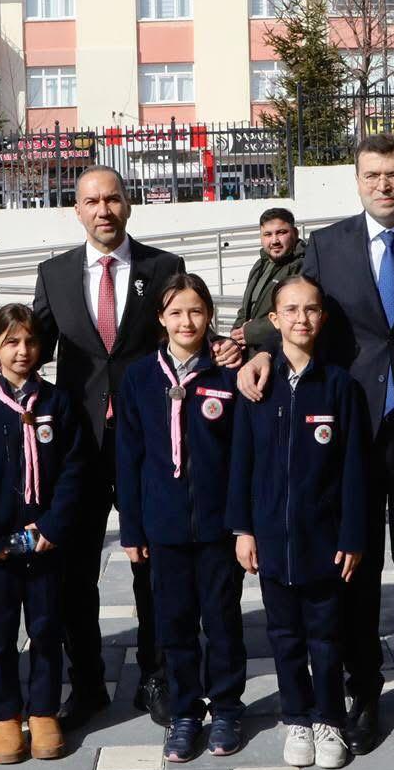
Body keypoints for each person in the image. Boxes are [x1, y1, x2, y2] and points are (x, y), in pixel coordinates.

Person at [236, 135, 394, 753]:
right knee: (355, 564)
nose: (384, 185)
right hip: (350, 431)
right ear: (358, 181)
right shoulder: (328, 245)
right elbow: (298, 317)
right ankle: (363, 688)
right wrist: (262, 353)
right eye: (373, 175)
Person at [27, 165, 238, 729]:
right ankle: (87, 682)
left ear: (128, 203)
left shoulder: (162, 267)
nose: (104, 210)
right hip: (81, 445)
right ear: (77, 210)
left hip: (154, 442)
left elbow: (191, 331)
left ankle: (157, 674)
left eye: (113, 199)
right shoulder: (54, 274)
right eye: (92, 201)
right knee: (76, 571)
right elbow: (31, 347)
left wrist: (242, 349)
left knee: (155, 565)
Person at [229, 275, 367, 770]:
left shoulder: (340, 387)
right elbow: (241, 462)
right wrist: (243, 529)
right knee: (284, 636)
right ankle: (297, 718)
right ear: (274, 319)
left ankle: (329, 718)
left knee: (326, 636)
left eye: (310, 309)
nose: (301, 319)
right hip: (270, 536)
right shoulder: (257, 388)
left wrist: (353, 535)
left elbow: (355, 469)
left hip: (323, 538)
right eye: (290, 310)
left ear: (322, 318)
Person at [0, 304, 87, 766]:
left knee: (46, 627)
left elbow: (74, 470)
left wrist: (51, 525)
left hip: (44, 543)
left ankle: (43, 710)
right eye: (11, 342)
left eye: (29, 341)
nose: (22, 350)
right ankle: (5, 714)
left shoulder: (57, 403)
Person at [117, 275, 247, 762]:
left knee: (222, 619)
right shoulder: (140, 377)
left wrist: (242, 524)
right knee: (174, 624)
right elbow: (129, 457)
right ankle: (185, 711)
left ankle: (227, 708)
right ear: (160, 319)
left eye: (195, 311)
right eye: (175, 312)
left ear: (209, 314)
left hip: (217, 526)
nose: (186, 322)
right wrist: (132, 527)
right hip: (163, 524)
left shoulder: (227, 372)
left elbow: (243, 455)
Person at [229, 208, 306, 356]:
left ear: (295, 233)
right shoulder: (259, 265)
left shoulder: (304, 266)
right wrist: (235, 336)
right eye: (268, 234)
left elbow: (297, 315)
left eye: (281, 232)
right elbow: (245, 309)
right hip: (249, 354)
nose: (274, 241)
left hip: (281, 356)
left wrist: (251, 331)